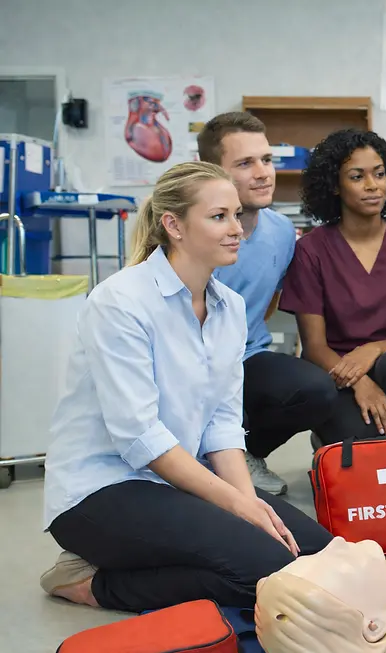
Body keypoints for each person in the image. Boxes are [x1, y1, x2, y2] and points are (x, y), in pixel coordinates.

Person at [39, 161, 333, 613]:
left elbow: (221, 423)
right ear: (173, 225)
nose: (237, 228)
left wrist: (248, 502)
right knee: (267, 571)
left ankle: (171, 553)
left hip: (176, 482)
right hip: (101, 490)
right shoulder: (119, 302)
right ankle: (89, 583)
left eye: (237, 215)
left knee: (318, 556)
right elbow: (141, 439)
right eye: (219, 217)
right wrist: (237, 509)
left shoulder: (229, 307)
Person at [198, 112, 338, 496]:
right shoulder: (193, 232)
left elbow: (269, 300)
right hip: (191, 360)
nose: (263, 173)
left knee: (317, 391)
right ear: (211, 170)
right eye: (245, 164)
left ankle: (249, 454)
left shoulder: (280, 232)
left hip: (246, 355)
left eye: (267, 160)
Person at [278, 129, 386, 443]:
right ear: (335, 186)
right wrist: (361, 382)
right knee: (363, 447)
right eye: (356, 176)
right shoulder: (311, 250)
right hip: (336, 371)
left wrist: (372, 350)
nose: (372, 185)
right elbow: (314, 347)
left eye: (379, 174)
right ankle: (329, 434)